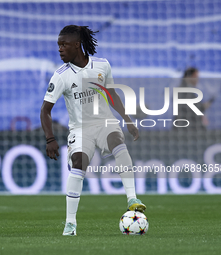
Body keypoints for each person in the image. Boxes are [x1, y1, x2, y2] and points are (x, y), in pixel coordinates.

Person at [40, 25, 146, 236]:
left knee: (118, 141)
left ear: (77, 45)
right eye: (58, 45)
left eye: (64, 45)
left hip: (105, 122)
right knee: (79, 163)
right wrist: (50, 139)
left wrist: (127, 120)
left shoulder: (102, 65)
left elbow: (112, 95)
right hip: (80, 129)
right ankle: (70, 223)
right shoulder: (61, 76)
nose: (60, 49)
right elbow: (45, 111)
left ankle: (132, 198)